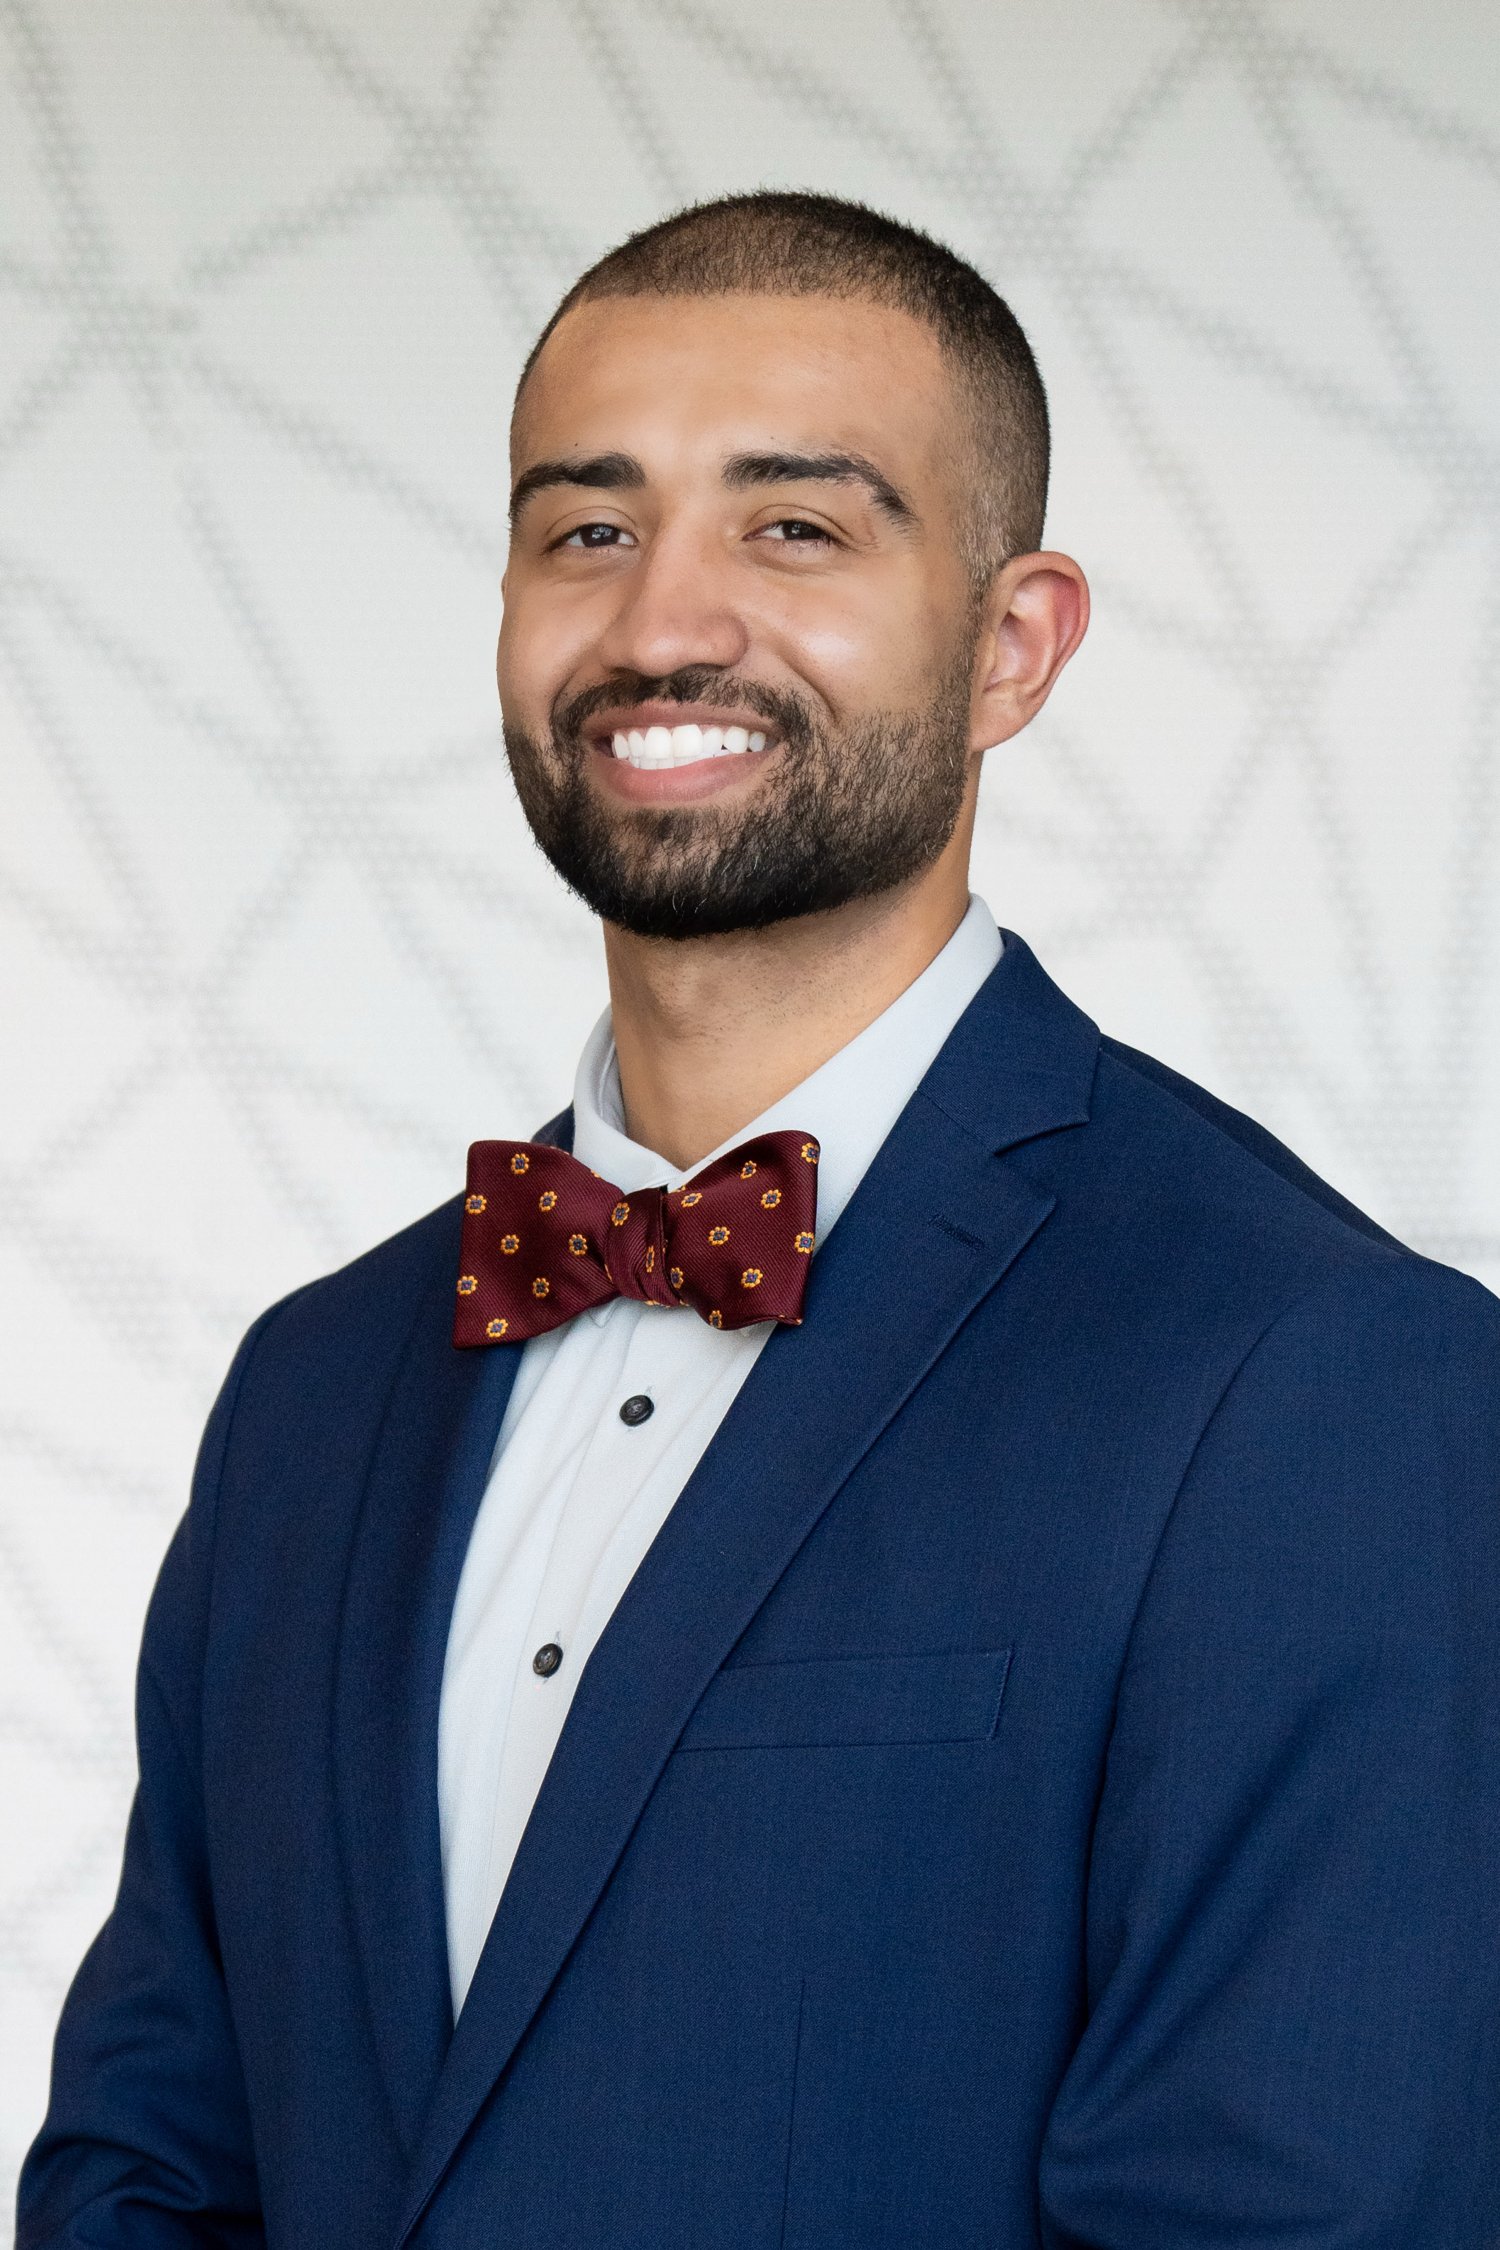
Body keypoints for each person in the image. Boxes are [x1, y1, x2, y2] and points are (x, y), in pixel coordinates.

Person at [18, 191, 1500, 2250]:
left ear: (1013, 645)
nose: (661, 625)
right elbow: (146, 2167)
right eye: (587, 528)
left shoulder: (1321, 1375)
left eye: (795, 528)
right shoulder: (310, 1389)